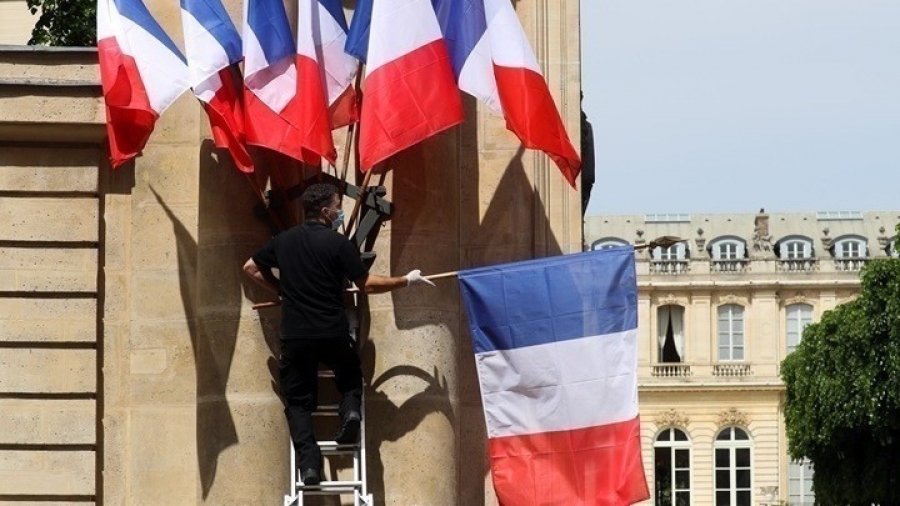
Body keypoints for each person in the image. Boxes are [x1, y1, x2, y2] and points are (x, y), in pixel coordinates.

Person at [243, 183, 434, 486]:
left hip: (296, 336)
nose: (339, 212)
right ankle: (349, 413)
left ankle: (309, 467)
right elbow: (367, 284)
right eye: (336, 206)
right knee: (350, 377)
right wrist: (406, 281)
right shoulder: (339, 244)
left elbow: (251, 268)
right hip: (332, 331)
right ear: (325, 211)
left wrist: (282, 290)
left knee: (298, 402)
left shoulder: (283, 241)